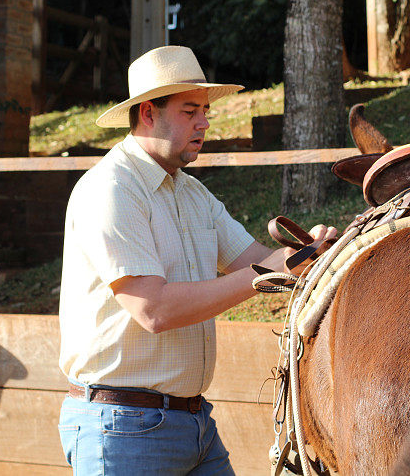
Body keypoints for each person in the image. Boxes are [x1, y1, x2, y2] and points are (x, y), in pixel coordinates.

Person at [57, 45, 336, 475]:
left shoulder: (192, 193)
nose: (205, 122)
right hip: (121, 428)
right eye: (191, 111)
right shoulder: (110, 190)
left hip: (192, 423)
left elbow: (260, 260)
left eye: (205, 110)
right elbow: (154, 309)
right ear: (148, 113)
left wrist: (312, 255)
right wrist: (268, 272)